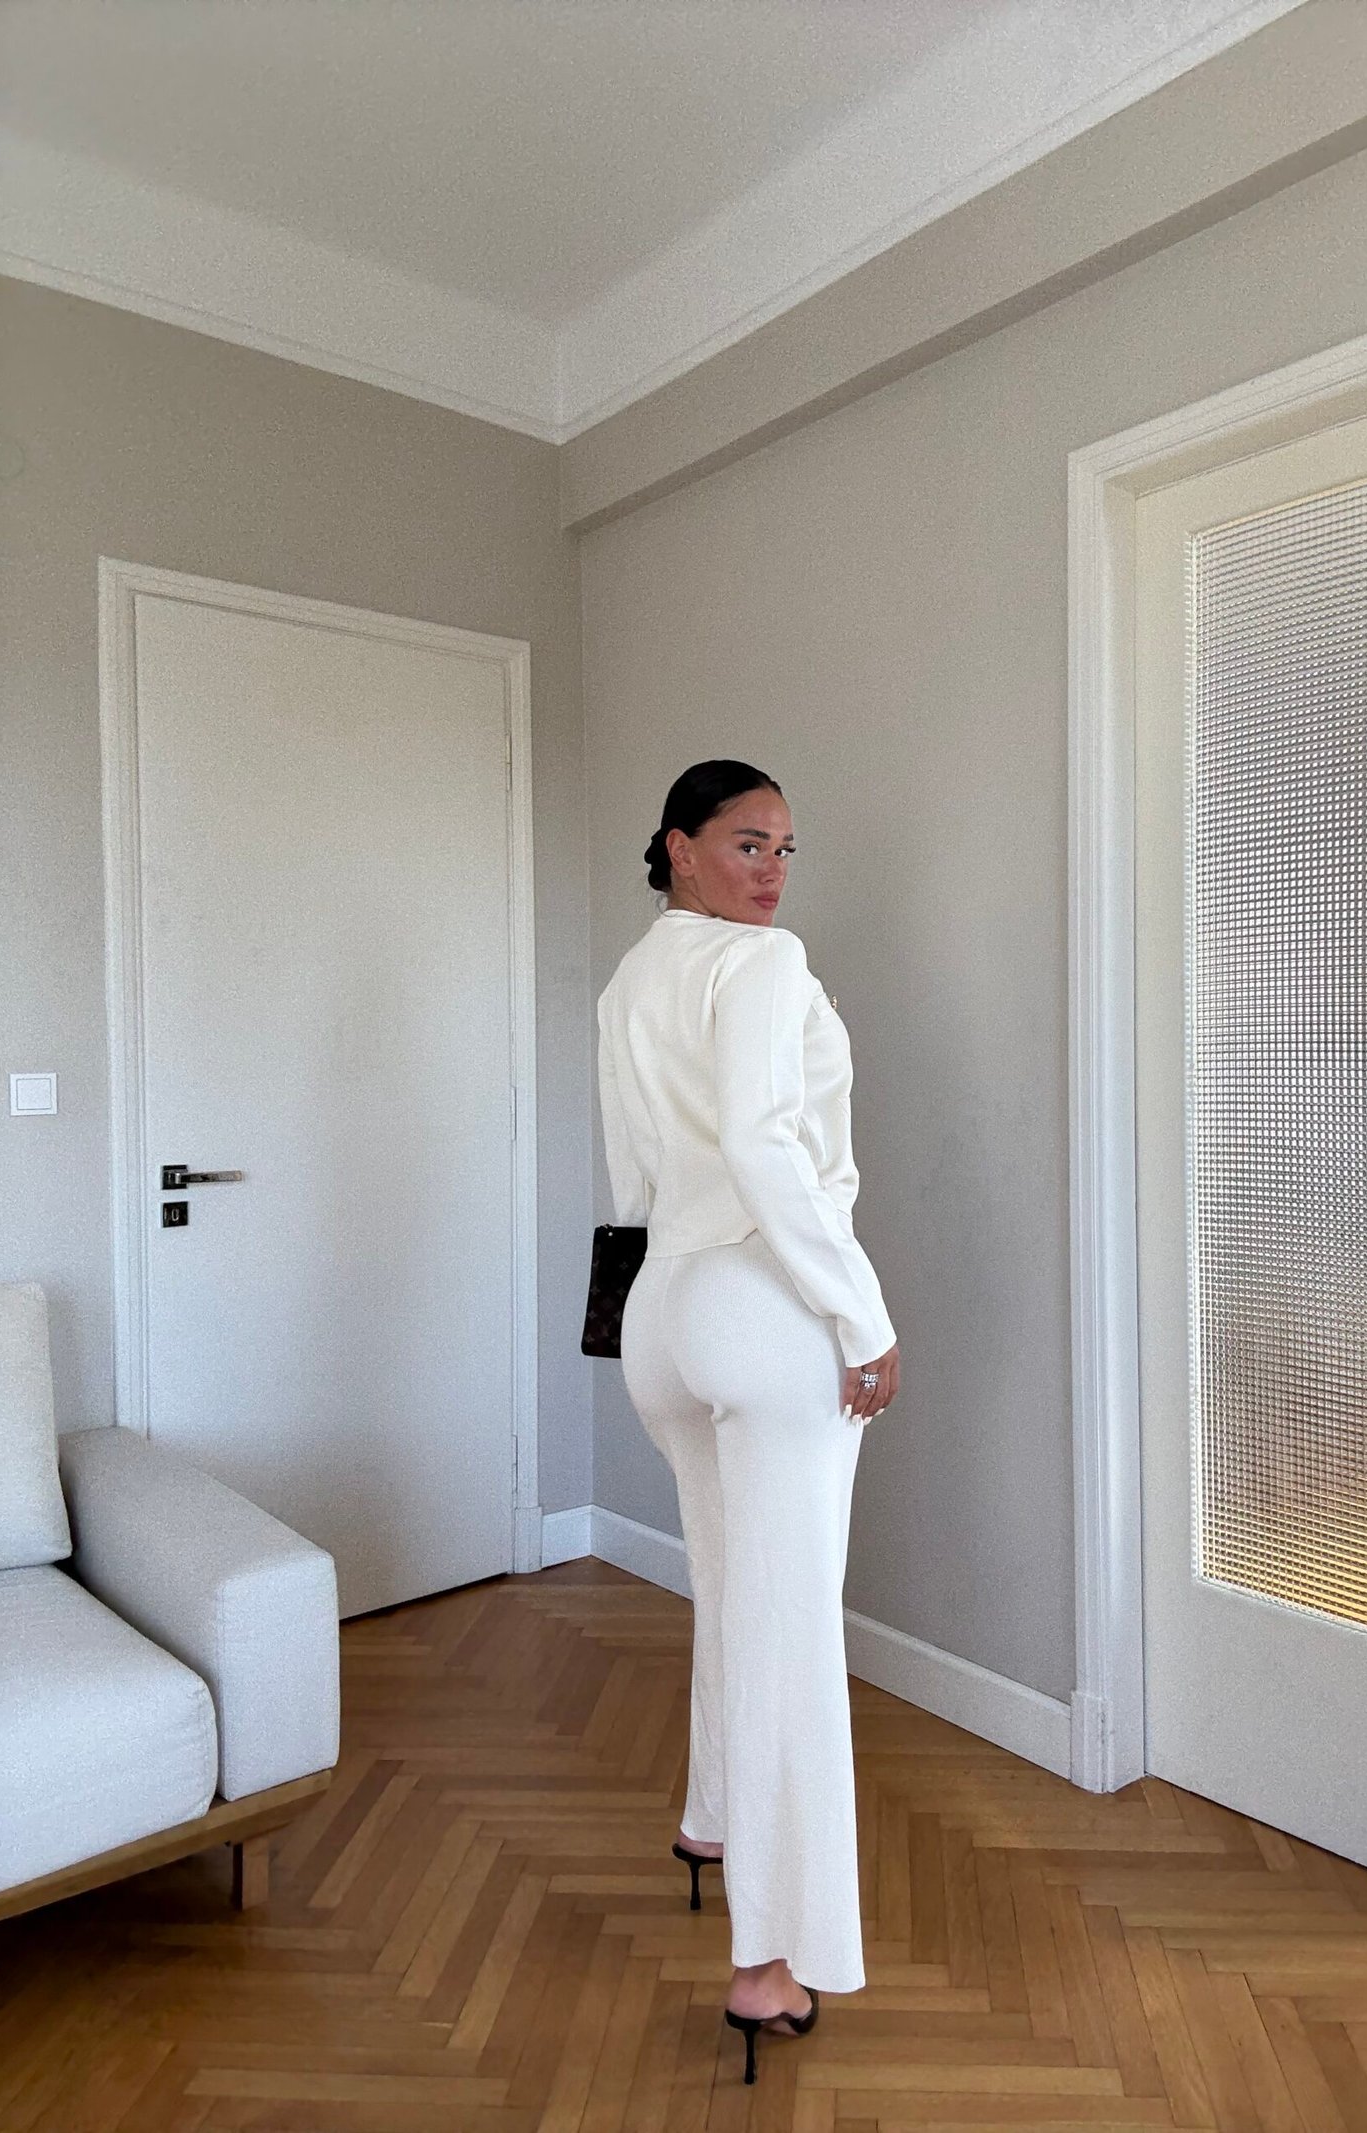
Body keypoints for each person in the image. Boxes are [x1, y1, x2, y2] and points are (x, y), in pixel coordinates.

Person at [595, 758, 901, 2084]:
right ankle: (772, 1960)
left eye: (784, 847)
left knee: (729, 1590)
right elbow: (772, 1149)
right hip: (764, 1305)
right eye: (744, 842)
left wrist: (648, 1307)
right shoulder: (762, 967)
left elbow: (631, 1175)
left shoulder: (630, 980)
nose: (771, 871)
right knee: (792, 1632)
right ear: (679, 845)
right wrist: (862, 1313)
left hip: (662, 1310)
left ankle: (713, 1820)